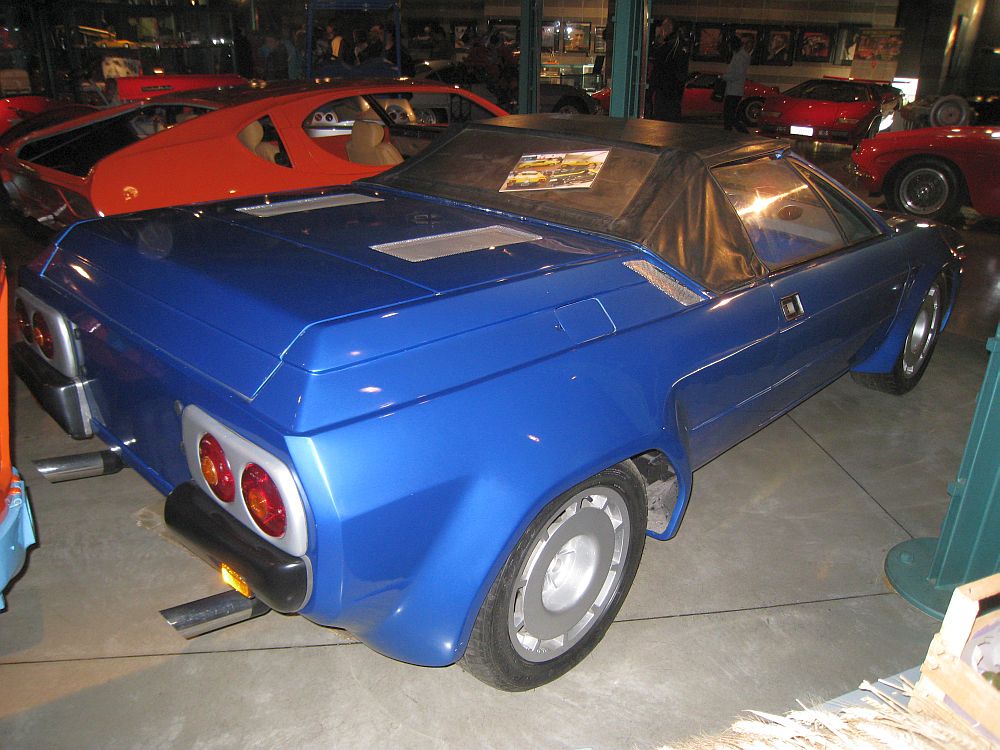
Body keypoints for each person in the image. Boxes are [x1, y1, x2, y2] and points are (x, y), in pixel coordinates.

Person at [647, 18, 689, 122]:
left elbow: (658, 68)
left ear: (668, 29)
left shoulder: (669, 46)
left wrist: (650, 90)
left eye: (663, 27)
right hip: (674, 90)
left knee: (663, 117)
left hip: (665, 90)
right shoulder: (680, 45)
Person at [721, 35, 753, 132]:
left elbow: (736, 74)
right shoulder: (742, 55)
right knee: (729, 114)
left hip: (733, 89)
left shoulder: (739, 57)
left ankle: (740, 131)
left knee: (728, 114)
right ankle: (731, 132)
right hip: (736, 89)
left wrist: (724, 77)